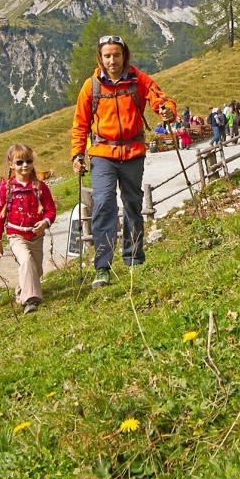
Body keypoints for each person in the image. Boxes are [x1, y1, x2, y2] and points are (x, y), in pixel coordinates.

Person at [70, 34, 176, 288]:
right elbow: (80, 123)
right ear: (100, 57)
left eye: (116, 55)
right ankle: (102, 267)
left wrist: (167, 110)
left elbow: (159, 98)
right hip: (102, 154)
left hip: (132, 153)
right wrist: (77, 154)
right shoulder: (91, 86)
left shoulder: (138, 79)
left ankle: (133, 258)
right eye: (107, 55)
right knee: (104, 203)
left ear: (124, 55)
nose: (112, 60)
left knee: (132, 203)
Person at [0, 143, 56, 314]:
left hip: (36, 235)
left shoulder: (39, 187)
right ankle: (30, 301)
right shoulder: (7, 188)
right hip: (16, 235)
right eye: (19, 162)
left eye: (28, 161)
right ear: (11, 164)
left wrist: (45, 223)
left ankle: (21, 292)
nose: (24, 165)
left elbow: (51, 210)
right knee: (26, 261)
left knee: (36, 270)